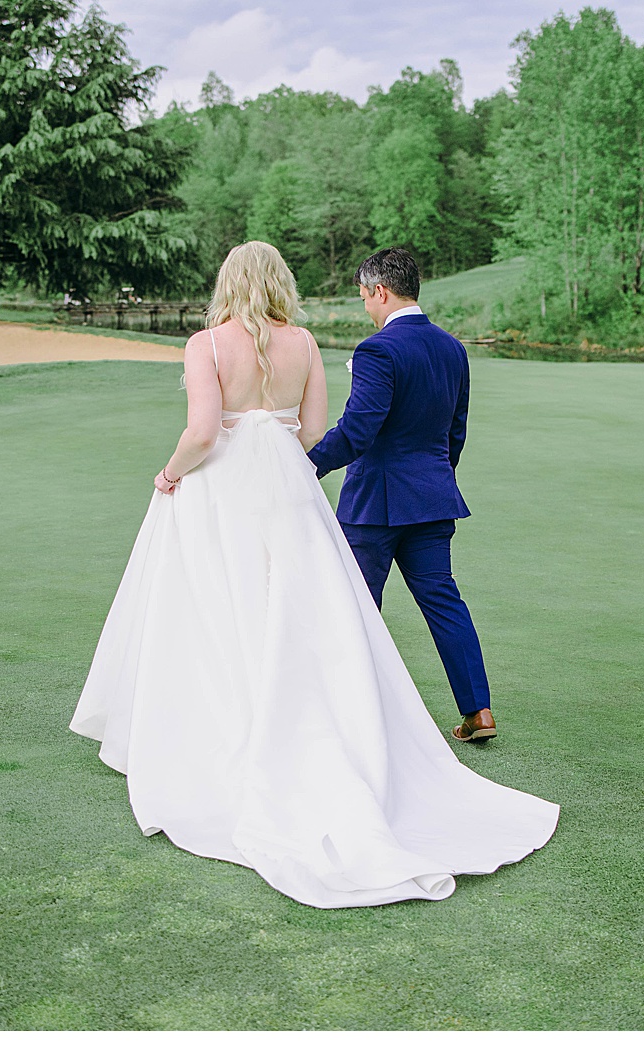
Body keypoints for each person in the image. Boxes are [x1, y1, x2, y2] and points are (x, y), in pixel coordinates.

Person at [71, 241, 557, 909]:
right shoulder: (329, 343)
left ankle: (232, 729)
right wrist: (287, 466)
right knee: (340, 610)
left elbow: (220, 432)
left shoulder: (215, 344)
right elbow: (319, 430)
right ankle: (467, 708)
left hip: (259, 494)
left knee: (229, 608)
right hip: (356, 494)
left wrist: (172, 471)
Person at [306, 247, 497, 743]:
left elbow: (358, 430)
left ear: (380, 292)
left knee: (357, 605)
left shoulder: (377, 350)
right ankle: (479, 712)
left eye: (364, 296)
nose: (365, 306)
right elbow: (456, 432)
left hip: (375, 504)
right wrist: (434, 479)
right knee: (444, 601)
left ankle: (352, 717)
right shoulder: (452, 348)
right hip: (433, 497)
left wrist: (307, 465)